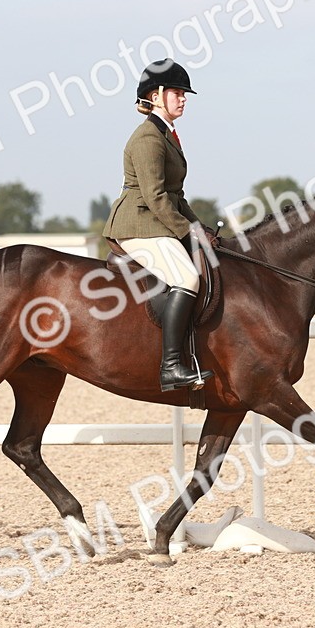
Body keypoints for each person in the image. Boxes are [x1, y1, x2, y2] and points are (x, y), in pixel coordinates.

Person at [103, 59, 215, 392]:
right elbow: (155, 197)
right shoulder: (148, 139)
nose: (183, 99)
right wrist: (187, 231)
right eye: (177, 92)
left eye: (184, 93)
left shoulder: (165, 135)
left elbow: (175, 196)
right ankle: (170, 367)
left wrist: (200, 228)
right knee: (187, 276)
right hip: (138, 224)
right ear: (156, 96)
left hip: (155, 221)